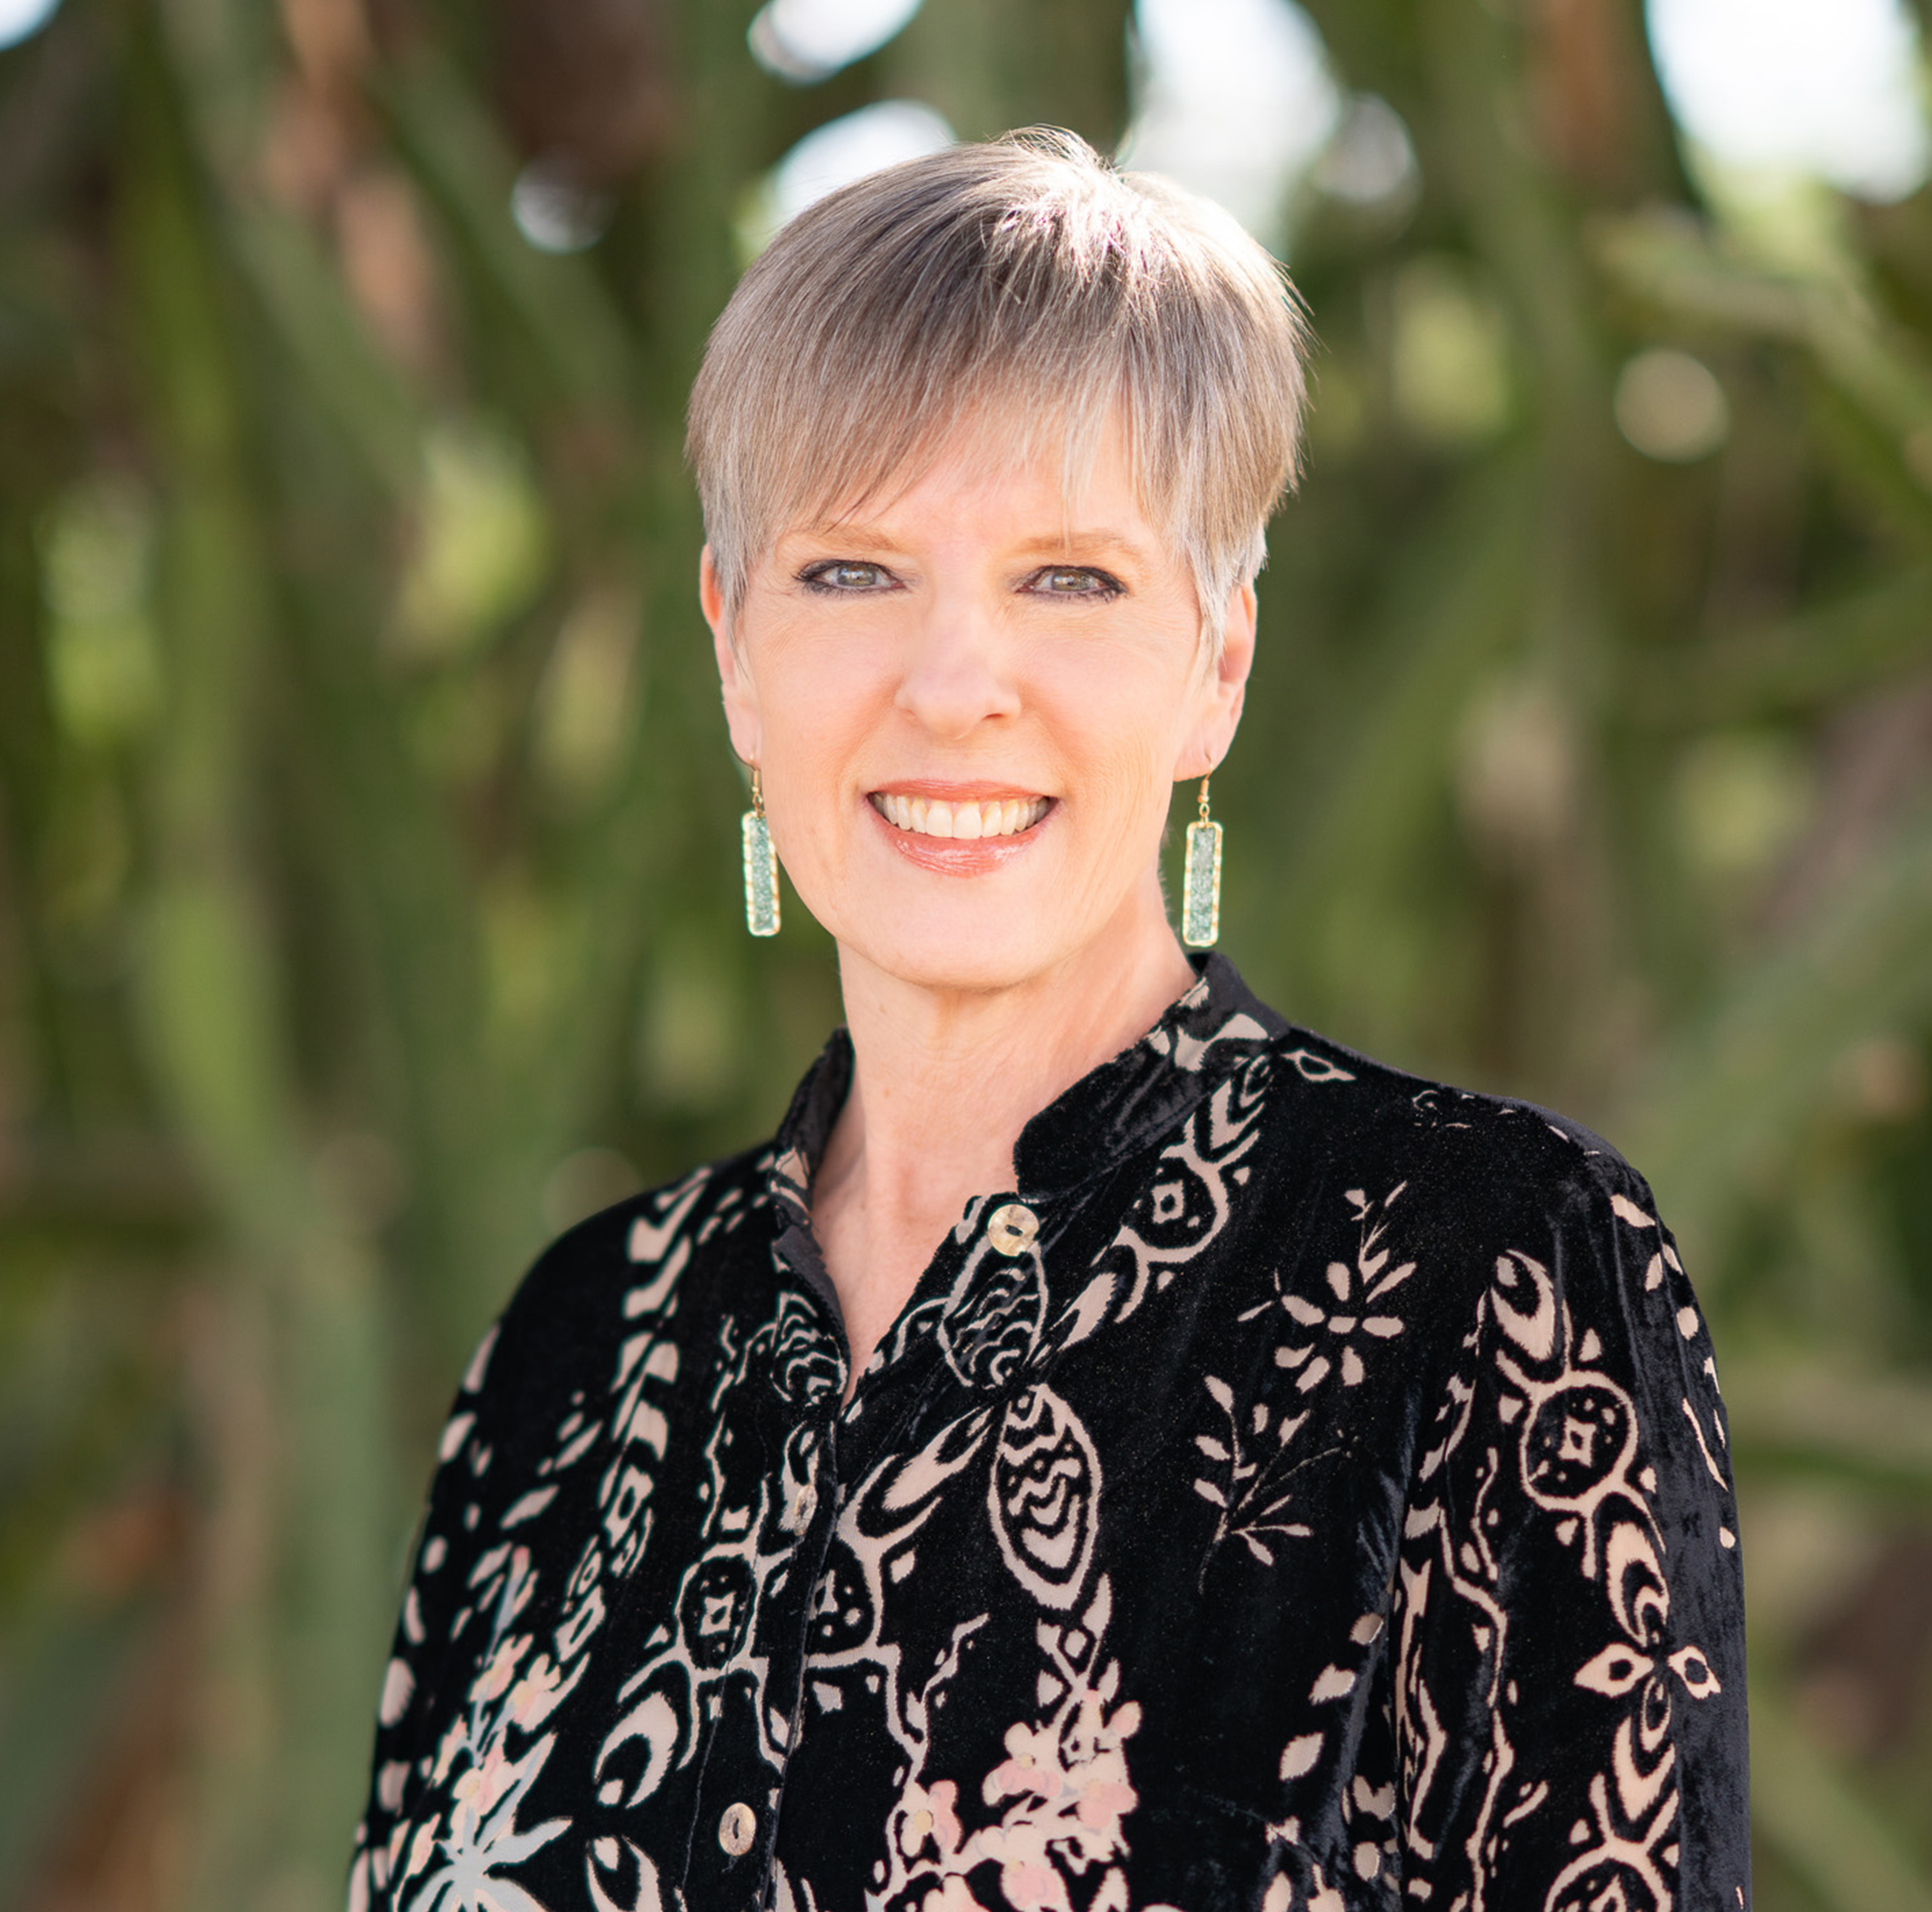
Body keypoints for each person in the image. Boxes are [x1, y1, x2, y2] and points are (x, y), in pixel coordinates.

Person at [348, 131, 1748, 1912]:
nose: (953, 687)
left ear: (1217, 664)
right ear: (731, 652)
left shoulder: (1493, 1268)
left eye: (1069, 579)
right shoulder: (569, 1351)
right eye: (851, 573)